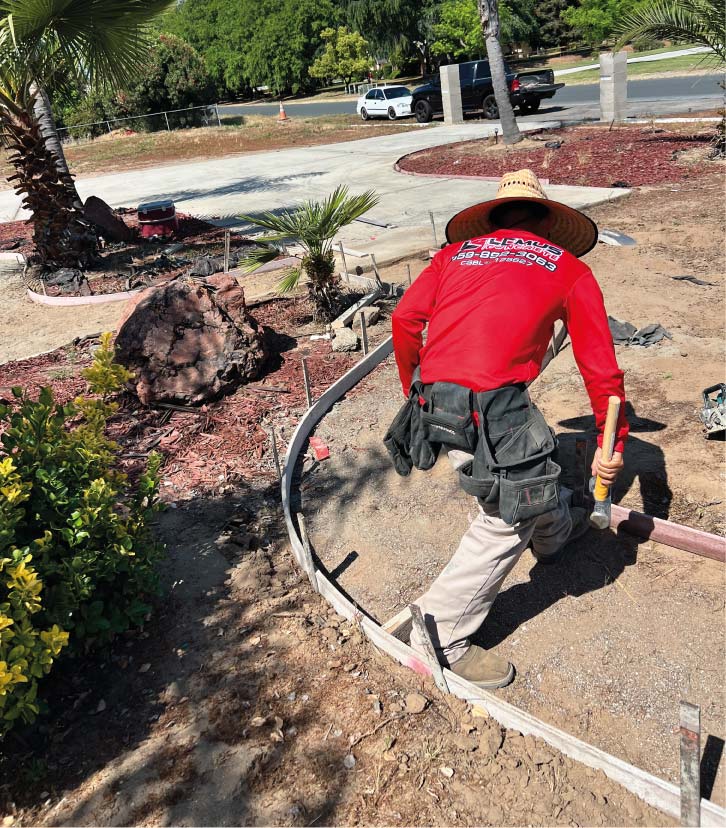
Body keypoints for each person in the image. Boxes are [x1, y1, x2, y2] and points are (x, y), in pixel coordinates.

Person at [389, 169, 628, 689]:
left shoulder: (455, 255)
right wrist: (614, 447)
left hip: (436, 396)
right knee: (506, 514)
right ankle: (440, 634)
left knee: (529, 477)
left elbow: (406, 321)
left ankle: (556, 534)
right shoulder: (568, 269)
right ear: (546, 225)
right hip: (489, 403)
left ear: (493, 221)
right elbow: (601, 371)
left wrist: (416, 390)